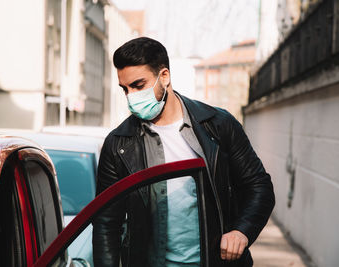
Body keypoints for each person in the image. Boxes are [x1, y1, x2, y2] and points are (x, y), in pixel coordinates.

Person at [92, 37, 275, 267]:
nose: (131, 97)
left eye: (138, 86)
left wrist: (241, 231)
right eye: (125, 89)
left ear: (164, 77)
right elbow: (106, 223)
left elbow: (259, 186)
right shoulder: (119, 144)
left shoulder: (218, 125)